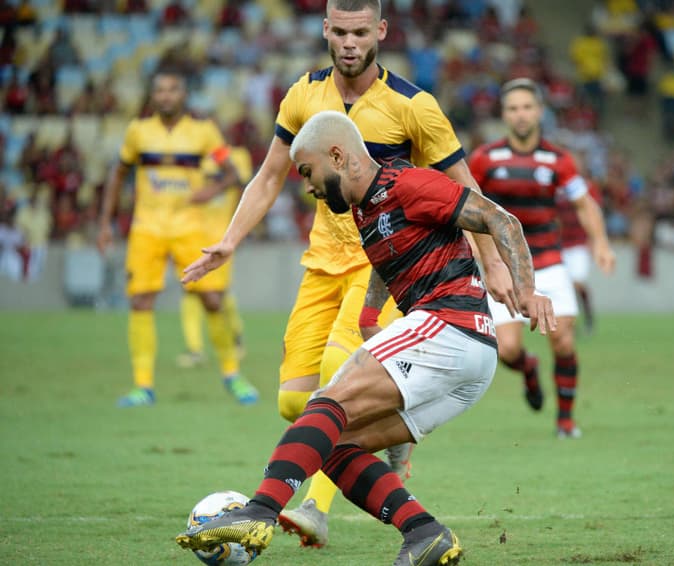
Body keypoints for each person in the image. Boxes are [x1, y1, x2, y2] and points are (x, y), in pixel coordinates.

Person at [183, 0, 515, 548]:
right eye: (339, 31)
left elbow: (465, 189)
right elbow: (267, 177)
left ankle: (307, 508)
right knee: (296, 402)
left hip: (379, 266)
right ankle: (419, 522)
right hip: (321, 266)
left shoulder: (413, 105)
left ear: (380, 31)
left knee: (335, 397)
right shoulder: (301, 95)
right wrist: (229, 240)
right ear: (325, 31)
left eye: (360, 32)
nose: (349, 43)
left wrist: (495, 263)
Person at [176, 109, 554, 566]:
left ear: (338, 155)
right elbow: (385, 254)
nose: (309, 187)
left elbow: (500, 219)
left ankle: (258, 512)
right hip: (468, 362)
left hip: (450, 326)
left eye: (309, 172)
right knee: (335, 447)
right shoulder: (364, 207)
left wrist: (528, 290)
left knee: (324, 404)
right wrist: (372, 311)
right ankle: (424, 534)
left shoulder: (407, 184)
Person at [96, 67, 259, 408]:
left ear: (183, 95)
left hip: (189, 228)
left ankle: (232, 374)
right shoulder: (138, 133)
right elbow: (118, 174)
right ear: (153, 96)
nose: (166, 96)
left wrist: (211, 188)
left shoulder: (203, 133)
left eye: (172, 89)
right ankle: (143, 386)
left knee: (212, 299)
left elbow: (232, 174)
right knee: (141, 302)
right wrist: (105, 223)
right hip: (147, 228)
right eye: (160, 90)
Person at [468, 78, 615, 438]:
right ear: (504, 114)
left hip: (548, 262)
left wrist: (600, 242)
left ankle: (565, 421)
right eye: (513, 108)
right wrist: (476, 250)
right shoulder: (486, 159)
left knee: (563, 341)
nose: (520, 115)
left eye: (527, 107)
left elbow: (584, 203)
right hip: (505, 266)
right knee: (507, 350)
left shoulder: (558, 160)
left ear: (540, 112)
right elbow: (467, 207)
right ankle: (529, 370)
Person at [176, 145, 253, 369]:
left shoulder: (237, 155)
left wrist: (240, 226)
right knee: (190, 290)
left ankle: (235, 338)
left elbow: (243, 185)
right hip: (192, 232)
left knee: (218, 292)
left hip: (222, 234)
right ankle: (195, 349)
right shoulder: (193, 156)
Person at [558, 165, 603, 335]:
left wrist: (595, 239)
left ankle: (588, 317)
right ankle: (572, 323)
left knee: (577, 283)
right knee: (566, 286)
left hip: (579, 243)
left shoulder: (586, 187)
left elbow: (592, 211)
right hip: (560, 243)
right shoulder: (556, 187)